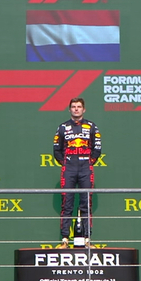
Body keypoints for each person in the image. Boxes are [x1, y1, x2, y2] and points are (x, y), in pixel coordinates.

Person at [53, 97, 101, 248]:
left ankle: (87, 239)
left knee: (86, 203)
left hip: (86, 168)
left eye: (79, 106)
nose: (76, 109)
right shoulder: (63, 127)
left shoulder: (92, 126)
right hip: (69, 168)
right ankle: (65, 240)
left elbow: (97, 148)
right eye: (73, 106)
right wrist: (67, 162)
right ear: (69, 109)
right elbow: (56, 149)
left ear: (83, 109)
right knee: (67, 204)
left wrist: (88, 161)